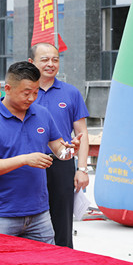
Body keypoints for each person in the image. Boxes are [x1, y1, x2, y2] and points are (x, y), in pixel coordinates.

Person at [0, 61, 82, 243]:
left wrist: (70, 151)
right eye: (26, 93)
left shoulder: (42, 114)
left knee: (46, 260)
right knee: (1, 261)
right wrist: (24, 160)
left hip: (40, 213)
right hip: (1, 214)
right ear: (8, 89)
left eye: (36, 92)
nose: (31, 98)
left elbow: (59, 150)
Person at [29, 42, 90, 248]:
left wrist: (82, 169)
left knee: (62, 222)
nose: (51, 64)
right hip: (29, 164)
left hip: (61, 162)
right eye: (44, 59)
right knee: (28, 219)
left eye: (55, 59)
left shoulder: (70, 93)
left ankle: (64, 259)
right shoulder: (26, 93)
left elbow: (82, 133)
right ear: (31, 62)